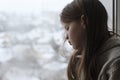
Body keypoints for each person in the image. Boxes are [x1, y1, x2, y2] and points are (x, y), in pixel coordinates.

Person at [60, 0, 120, 80]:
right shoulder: (80, 59)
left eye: (67, 28)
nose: (66, 37)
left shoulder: (115, 63)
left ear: (84, 21)